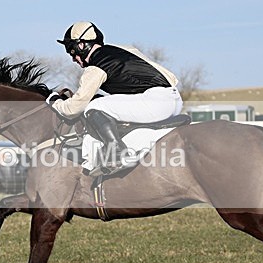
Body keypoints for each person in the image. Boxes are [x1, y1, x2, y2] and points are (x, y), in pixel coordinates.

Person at [46, 21, 183, 176]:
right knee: (99, 102)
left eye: (72, 51)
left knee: (94, 107)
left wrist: (55, 102)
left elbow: (73, 108)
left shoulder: (95, 67)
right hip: (173, 98)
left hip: (156, 102)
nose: (73, 59)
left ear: (82, 45)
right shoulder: (124, 49)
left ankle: (117, 153)